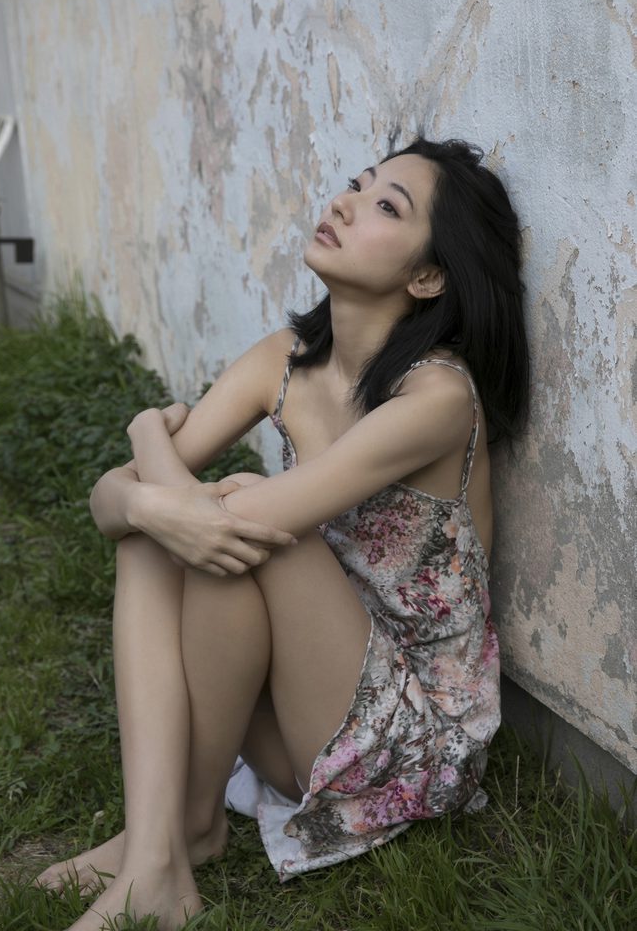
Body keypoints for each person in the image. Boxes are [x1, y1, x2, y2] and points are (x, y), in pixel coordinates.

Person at [37, 136, 529, 930]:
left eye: (385, 206)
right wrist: (148, 499)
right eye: (356, 185)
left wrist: (147, 441)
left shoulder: (437, 398)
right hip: (309, 702)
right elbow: (110, 508)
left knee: (235, 514)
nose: (343, 204)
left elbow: (240, 520)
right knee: (156, 532)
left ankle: (164, 847)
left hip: (413, 743)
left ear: (428, 276)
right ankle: (172, 841)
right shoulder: (286, 360)